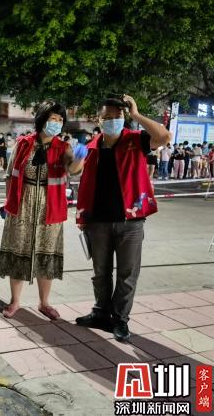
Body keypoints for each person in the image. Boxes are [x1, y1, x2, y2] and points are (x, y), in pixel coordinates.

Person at [75, 95, 171, 342]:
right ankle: (100, 312)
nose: (112, 121)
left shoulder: (136, 140)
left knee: (127, 274)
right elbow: (80, 177)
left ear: (124, 117)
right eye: (107, 117)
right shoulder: (92, 147)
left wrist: (136, 115)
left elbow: (164, 137)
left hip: (131, 222)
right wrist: (83, 216)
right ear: (99, 120)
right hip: (98, 221)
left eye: (117, 116)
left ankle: (120, 319)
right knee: (100, 272)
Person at [0, 101, 86, 320]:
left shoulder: (63, 147)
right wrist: (9, 204)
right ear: (42, 119)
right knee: (18, 252)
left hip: (50, 208)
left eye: (60, 119)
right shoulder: (23, 143)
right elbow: (10, 175)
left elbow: (73, 170)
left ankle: (44, 303)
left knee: (47, 255)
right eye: (52, 118)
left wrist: (79, 158)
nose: (56, 123)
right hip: (22, 206)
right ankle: (15, 301)